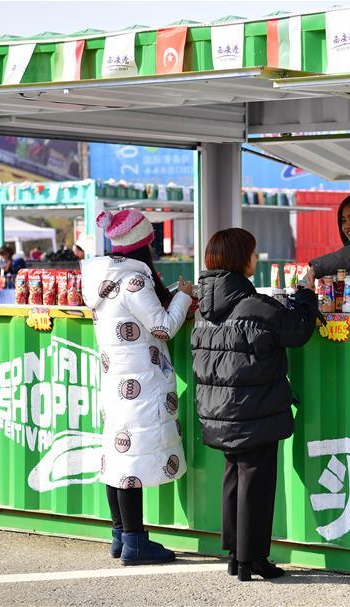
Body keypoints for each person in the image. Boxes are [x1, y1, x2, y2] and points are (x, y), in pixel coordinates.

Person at [191, 228, 320, 582]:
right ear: (240, 259)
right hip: (254, 409)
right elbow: (298, 331)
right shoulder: (255, 305)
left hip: (218, 411)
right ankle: (253, 560)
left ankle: (236, 555)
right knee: (256, 483)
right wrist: (307, 294)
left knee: (234, 476)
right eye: (253, 252)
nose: (257, 258)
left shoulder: (204, 307)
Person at [81, 209, 193, 566]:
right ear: (143, 245)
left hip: (116, 380)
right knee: (130, 461)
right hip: (141, 383)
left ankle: (119, 535)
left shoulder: (104, 279)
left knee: (117, 454)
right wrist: (185, 295)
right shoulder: (135, 281)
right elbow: (162, 328)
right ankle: (134, 542)